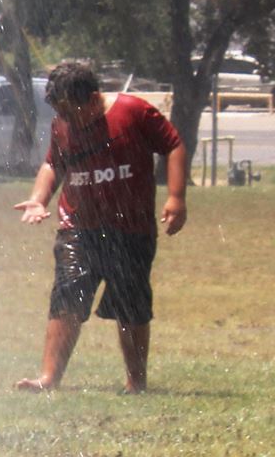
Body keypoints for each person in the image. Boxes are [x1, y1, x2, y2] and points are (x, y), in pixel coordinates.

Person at [15, 58, 187, 393]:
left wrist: (176, 197)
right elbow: (54, 163)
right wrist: (39, 198)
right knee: (68, 293)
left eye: (72, 113)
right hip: (78, 225)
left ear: (94, 99)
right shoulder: (63, 124)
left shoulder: (133, 112)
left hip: (131, 229)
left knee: (131, 302)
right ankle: (49, 377)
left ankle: (136, 381)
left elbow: (173, 145)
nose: (67, 121)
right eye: (61, 114)